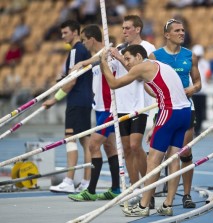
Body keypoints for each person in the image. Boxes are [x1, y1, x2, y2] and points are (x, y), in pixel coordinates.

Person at [100, 44, 191, 217]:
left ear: (139, 57)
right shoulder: (157, 66)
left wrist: (103, 62)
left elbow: (114, 83)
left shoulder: (143, 67)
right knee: (173, 159)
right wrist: (121, 59)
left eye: (128, 59)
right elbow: (152, 90)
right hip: (184, 113)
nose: (126, 63)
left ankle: (143, 206)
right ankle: (167, 204)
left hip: (170, 112)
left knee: (153, 161)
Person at [148, 19, 201, 209]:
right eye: (177, 30)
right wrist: (159, 94)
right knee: (158, 154)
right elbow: (147, 84)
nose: (182, 33)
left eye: (183, 30)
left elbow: (198, 83)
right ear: (167, 34)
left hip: (186, 109)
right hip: (164, 109)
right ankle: (150, 195)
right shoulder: (155, 56)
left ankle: (186, 195)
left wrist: (191, 90)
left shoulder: (190, 56)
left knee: (183, 152)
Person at [68, 25, 121, 201]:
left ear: (91, 39)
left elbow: (104, 54)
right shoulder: (95, 59)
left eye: (83, 40)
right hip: (99, 108)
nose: (82, 44)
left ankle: (90, 190)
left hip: (109, 109)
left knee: (93, 145)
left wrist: (81, 63)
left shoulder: (107, 53)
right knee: (109, 147)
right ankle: (115, 189)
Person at [109, 15, 156, 207]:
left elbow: (142, 74)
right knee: (126, 149)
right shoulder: (119, 49)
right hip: (121, 105)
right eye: (122, 28)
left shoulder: (148, 48)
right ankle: (134, 187)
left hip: (140, 105)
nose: (124, 31)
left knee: (136, 146)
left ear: (137, 29)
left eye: (127, 28)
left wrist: (120, 58)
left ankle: (148, 189)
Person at [43, 20, 93, 193]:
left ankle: (69, 181)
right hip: (85, 100)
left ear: (75, 33)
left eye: (65, 33)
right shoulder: (82, 50)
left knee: (70, 139)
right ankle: (86, 182)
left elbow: (71, 82)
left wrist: (54, 99)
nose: (63, 36)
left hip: (77, 100)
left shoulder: (75, 50)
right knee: (85, 141)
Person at [192, 44, 210, 136]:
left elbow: (207, 75)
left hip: (202, 91)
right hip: (193, 91)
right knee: (193, 111)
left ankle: (198, 128)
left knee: (201, 112)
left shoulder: (205, 63)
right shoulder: (191, 62)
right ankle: (193, 128)